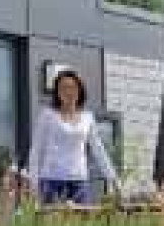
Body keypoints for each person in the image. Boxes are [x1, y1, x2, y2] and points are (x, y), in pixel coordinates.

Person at [27, 69, 119, 206]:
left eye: (72, 87)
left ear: (79, 90)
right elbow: (36, 150)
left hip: (79, 182)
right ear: (57, 93)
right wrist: (33, 184)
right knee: (52, 225)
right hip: (51, 181)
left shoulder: (87, 117)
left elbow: (98, 150)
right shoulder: (47, 116)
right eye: (62, 88)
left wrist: (112, 177)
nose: (68, 92)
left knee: (81, 224)